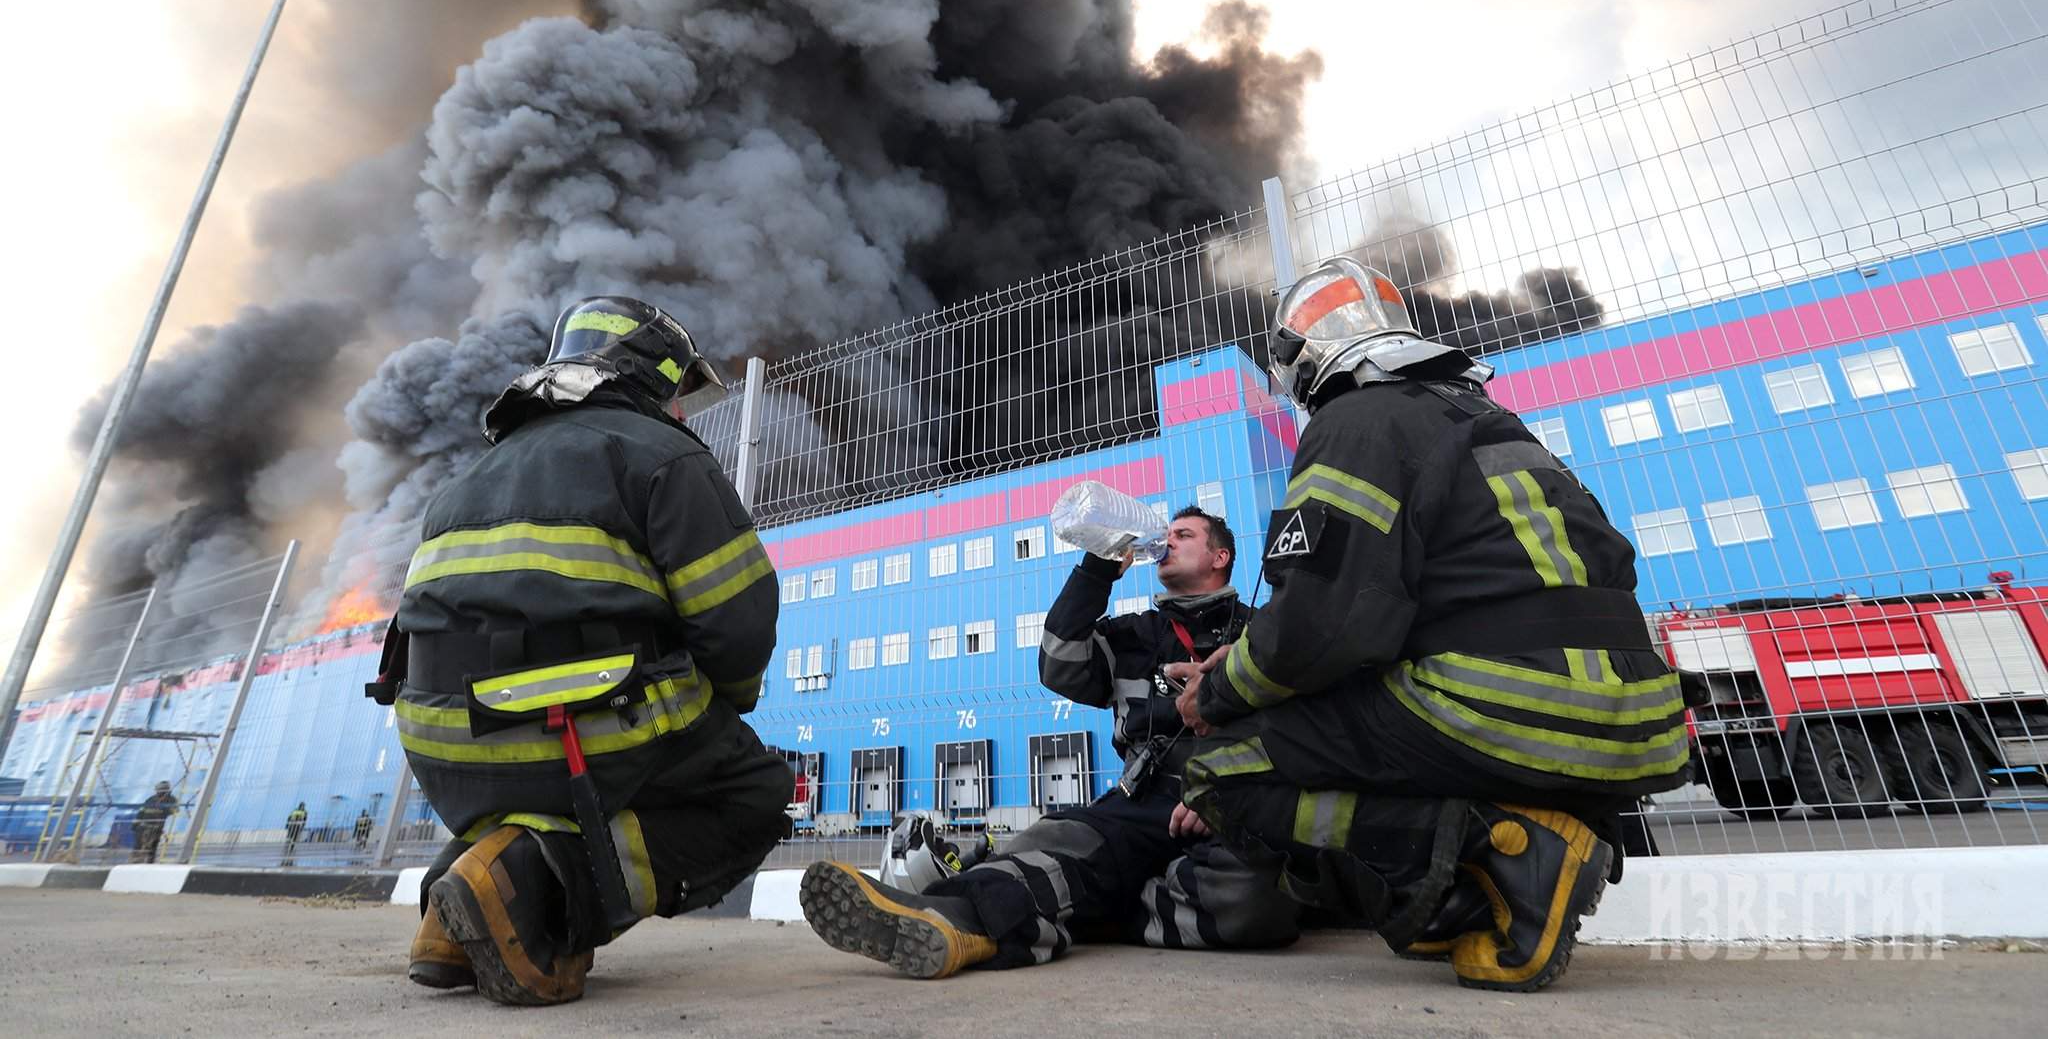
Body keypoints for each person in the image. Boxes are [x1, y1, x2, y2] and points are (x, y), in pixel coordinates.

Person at [1161, 258, 1690, 993]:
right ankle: (1523, 870)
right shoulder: (1495, 425)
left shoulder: (1356, 419)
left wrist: (1218, 696)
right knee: (1359, 725)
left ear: (1299, 358)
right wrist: (1249, 660)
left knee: (1223, 769)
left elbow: (1323, 626)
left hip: (1512, 700)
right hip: (1637, 718)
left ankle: (1505, 859)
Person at [367, 296, 792, 1007]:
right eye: (678, 393)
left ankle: (458, 905)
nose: (684, 412)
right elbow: (738, 620)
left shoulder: (461, 482)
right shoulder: (662, 454)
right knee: (754, 792)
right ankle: (539, 894)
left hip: (443, 744)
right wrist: (728, 705)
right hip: (581, 721)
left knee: (544, 798)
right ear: (646, 376)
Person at [800, 508, 1300, 977]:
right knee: (1057, 841)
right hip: (1143, 800)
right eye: (1165, 533)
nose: (1167, 541)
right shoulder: (1132, 635)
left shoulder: (1261, 635)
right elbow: (1059, 663)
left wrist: (1226, 786)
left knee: (1256, 902)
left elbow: (1299, 730)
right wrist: (1097, 569)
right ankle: (950, 919)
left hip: (1235, 799)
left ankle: (1090, 908)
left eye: (1183, 535)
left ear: (1220, 557)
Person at [131, 782, 178, 863]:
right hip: (144, 827)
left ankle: (149, 863)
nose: (157, 792)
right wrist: (135, 824)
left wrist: (164, 809)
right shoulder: (151, 799)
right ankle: (135, 862)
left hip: (156, 828)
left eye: (160, 790)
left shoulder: (171, 799)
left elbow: (174, 810)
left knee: (151, 848)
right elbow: (141, 812)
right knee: (138, 847)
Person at [281, 802, 307, 866]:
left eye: (303, 806)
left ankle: (290, 845)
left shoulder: (299, 811)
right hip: (295, 825)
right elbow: (290, 817)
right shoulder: (301, 812)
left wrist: (288, 823)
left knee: (293, 836)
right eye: (302, 806)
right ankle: (290, 845)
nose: (302, 807)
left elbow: (304, 819)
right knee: (292, 836)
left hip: (294, 825)